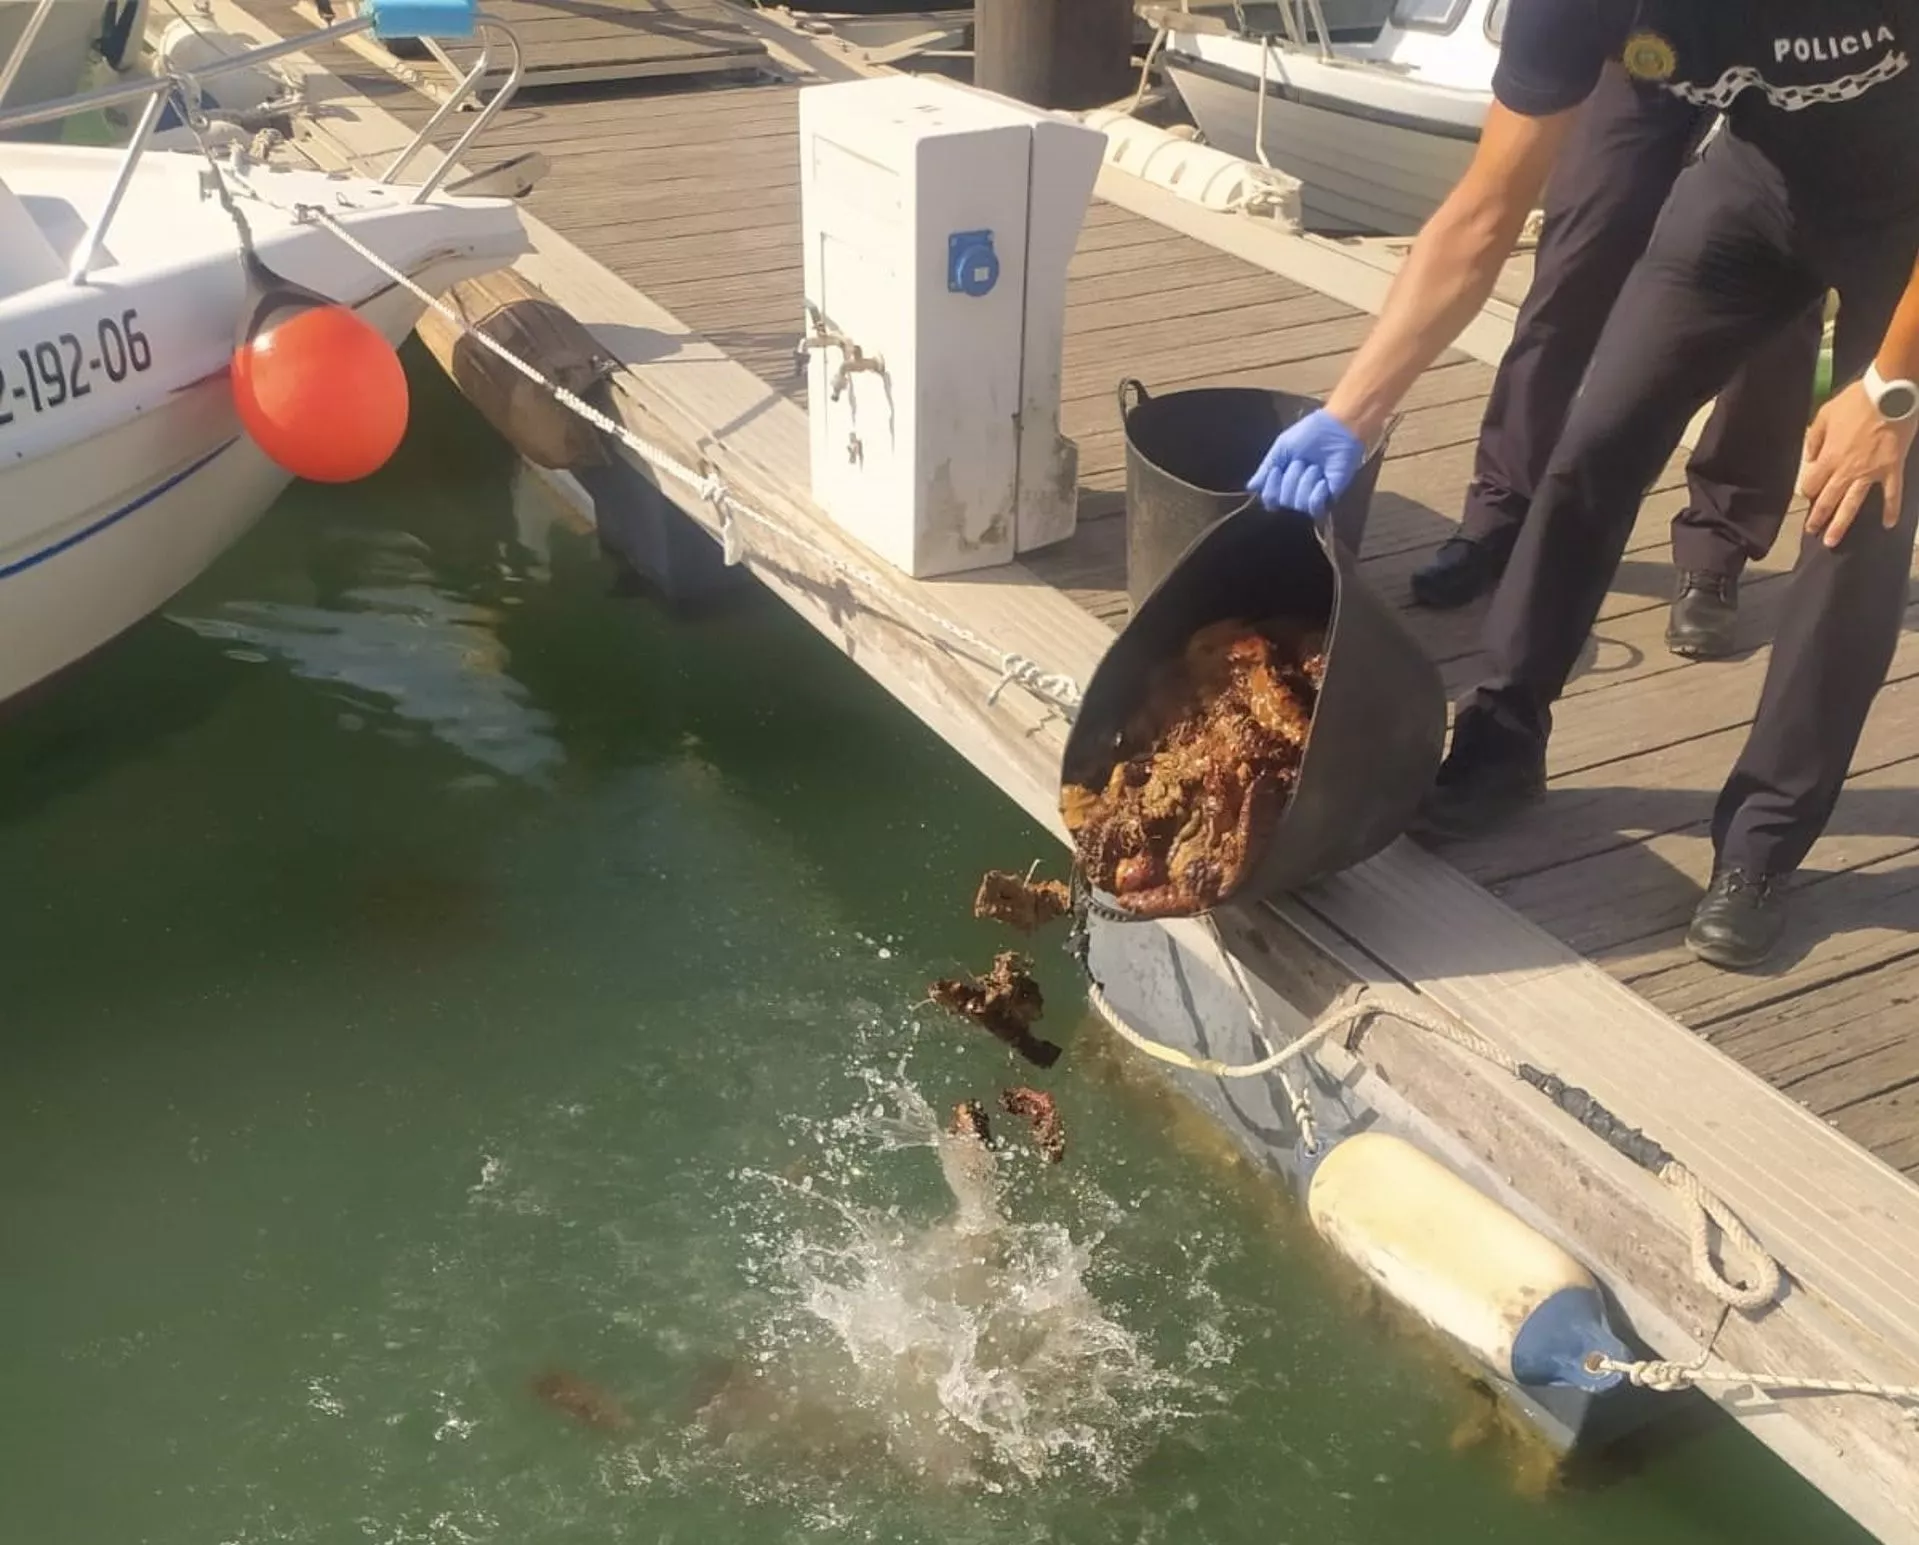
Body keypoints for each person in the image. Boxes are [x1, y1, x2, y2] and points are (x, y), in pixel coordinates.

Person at [1245, 1, 1919, 971]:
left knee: (1853, 514)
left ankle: (1761, 844)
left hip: (1899, 224)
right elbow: (1485, 207)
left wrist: (1889, 390)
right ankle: (1503, 738)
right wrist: (1354, 407)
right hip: (1756, 185)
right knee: (1592, 440)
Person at [1414, 62, 1827, 665]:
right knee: (1576, 258)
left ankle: (1716, 549)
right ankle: (1499, 510)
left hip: (1804, 63)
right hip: (1650, 40)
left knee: (1777, 321)